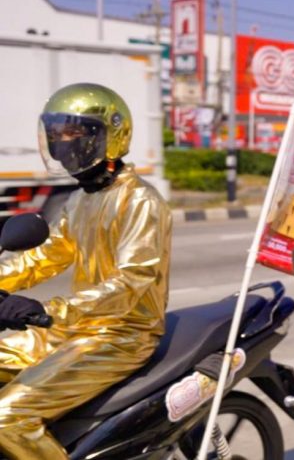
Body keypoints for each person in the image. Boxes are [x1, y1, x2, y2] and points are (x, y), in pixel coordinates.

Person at [0, 83, 172, 459]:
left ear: (108, 136)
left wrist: (47, 311)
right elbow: (43, 257)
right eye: (56, 134)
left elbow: (132, 281)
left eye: (73, 133)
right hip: (75, 328)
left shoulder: (140, 200)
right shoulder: (81, 200)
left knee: (7, 420)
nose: (63, 143)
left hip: (123, 335)